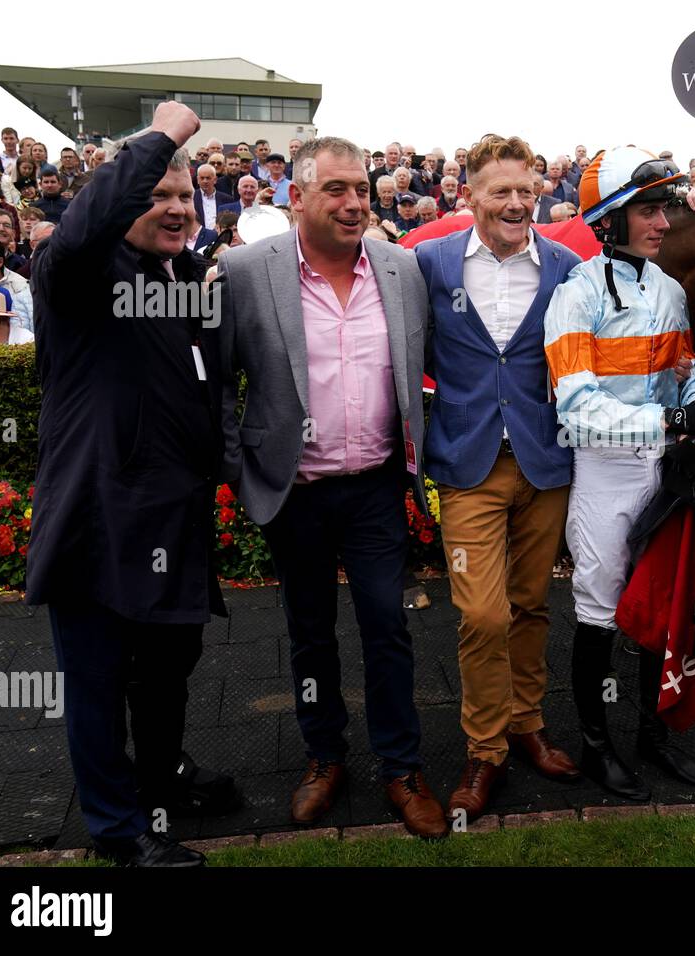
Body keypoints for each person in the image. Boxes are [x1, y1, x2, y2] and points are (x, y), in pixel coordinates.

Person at [24, 101, 237, 868]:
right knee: (98, 680)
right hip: (98, 518)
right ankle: (118, 832)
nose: (176, 208)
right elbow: (86, 223)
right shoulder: (78, 270)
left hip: (172, 519)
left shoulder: (178, 282)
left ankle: (161, 778)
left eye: (186, 197)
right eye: (158, 195)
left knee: (170, 668)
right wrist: (162, 136)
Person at [217, 135, 448, 838]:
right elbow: (216, 385)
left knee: (388, 627)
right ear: (297, 198)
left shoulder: (401, 268)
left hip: (377, 486)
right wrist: (242, 466)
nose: (355, 203)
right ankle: (324, 757)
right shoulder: (245, 272)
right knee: (310, 635)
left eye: (362, 189)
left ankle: (401, 767)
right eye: (337, 190)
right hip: (297, 493)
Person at [544, 146, 695, 799]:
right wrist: (672, 424)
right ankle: (596, 748)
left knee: (664, 602)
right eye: (650, 210)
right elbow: (577, 408)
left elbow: (678, 381)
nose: (664, 222)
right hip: (605, 475)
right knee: (599, 611)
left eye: (665, 208)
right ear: (611, 220)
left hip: (664, 472)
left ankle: (652, 734)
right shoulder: (576, 297)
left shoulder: (671, 291)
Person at [415, 134, 584, 822]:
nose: (516, 203)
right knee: (483, 614)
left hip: (546, 460)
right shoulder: (427, 265)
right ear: (470, 197)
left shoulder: (568, 267)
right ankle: (484, 751)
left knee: (532, 604)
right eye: (501, 192)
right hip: (467, 464)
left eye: (526, 190)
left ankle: (526, 722)